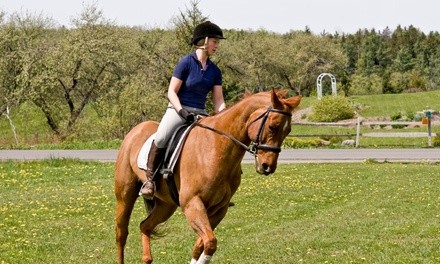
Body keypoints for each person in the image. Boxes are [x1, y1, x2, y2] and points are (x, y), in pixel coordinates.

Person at [140, 21, 227, 198]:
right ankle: (150, 181)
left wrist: (223, 116)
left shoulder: (215, 71)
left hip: (201, 113)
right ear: (205, 40)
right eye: (215, 42)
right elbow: (171, 92)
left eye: (218, 43)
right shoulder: (186, 63)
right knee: (162, 136)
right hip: (178, 109)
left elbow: (219, 101)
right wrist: (181, 111)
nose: (217, 45)